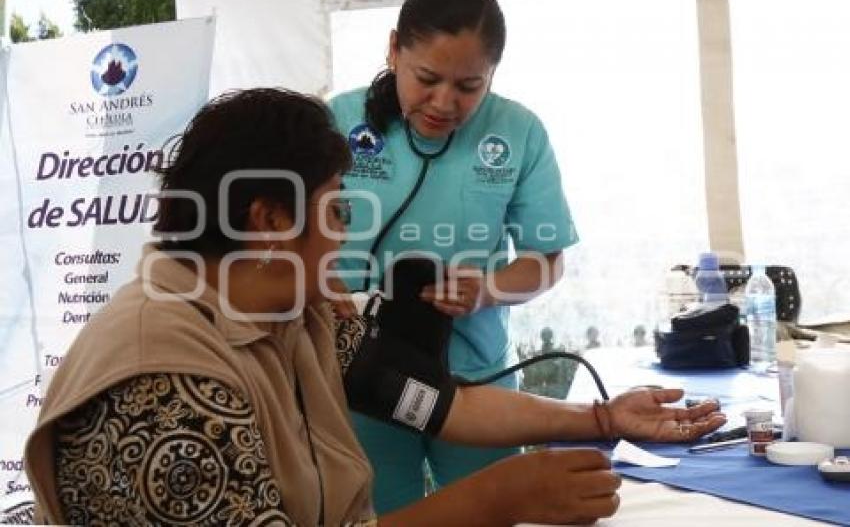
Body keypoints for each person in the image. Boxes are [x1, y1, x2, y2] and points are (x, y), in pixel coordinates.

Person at [24, 88, 725, 526]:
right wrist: (491, 502)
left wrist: (600, 419)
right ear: (268, 221)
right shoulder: (165, 382)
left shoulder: (285, 314)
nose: (345, 232)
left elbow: (434, 402)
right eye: (334, 206)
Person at [328, 0, 577, 511]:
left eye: (469, 87)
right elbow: (287, 240)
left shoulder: (518, 132)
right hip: (357, 371)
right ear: (393, 50)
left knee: (494, 509)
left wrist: (486, 290)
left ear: (492, 75)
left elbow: (547, 261)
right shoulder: (337, 122)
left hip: (474, 374)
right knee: (376, 513)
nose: (444, 102)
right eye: (427, 78)